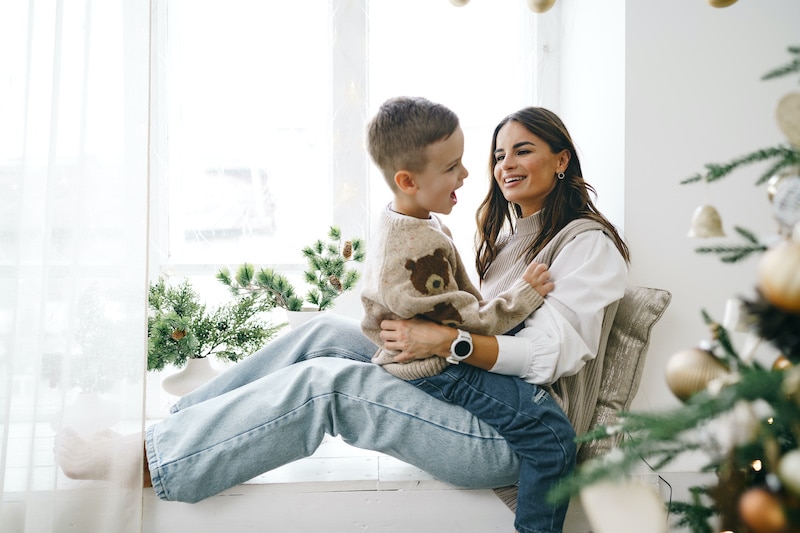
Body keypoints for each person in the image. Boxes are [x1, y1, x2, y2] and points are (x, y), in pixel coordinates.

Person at [55, 105, 629, 533]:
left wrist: (444, 341)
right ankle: (175, 427)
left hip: (515, 432)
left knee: (329, 386)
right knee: (325, 332)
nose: (504, 164)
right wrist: (431, 334)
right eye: (498, 153)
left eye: (523, 150)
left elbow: (548, 356)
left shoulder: (585, 245)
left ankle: (158, 462)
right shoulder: (510, 238)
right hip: (479, 391)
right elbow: (475, 318)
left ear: (562, 159)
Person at [361, 96, 553, 380]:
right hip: (437, 372)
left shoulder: (401, 222)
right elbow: (468, 320)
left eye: (522, 152)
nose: (465, 173)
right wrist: (524, 295)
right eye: (451, 167)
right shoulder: (420, 245)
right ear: (408, 182)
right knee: (545, 423)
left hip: (423, 361)